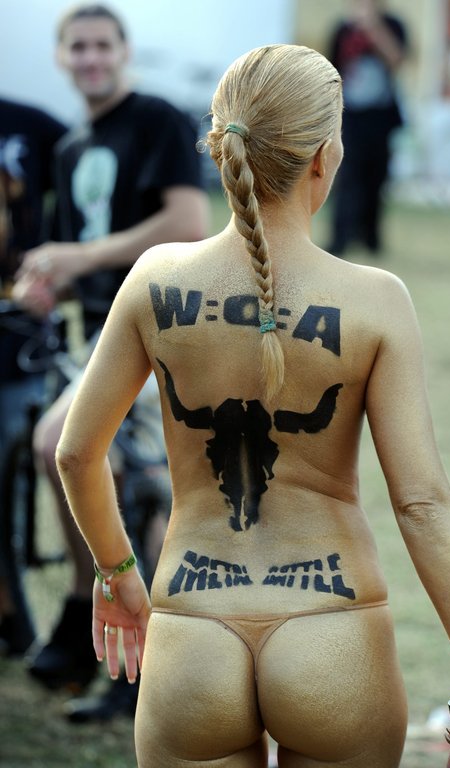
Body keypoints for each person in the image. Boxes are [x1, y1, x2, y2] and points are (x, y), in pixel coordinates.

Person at [55, 43, 450, 768]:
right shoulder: (375, 300)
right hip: (333, 627)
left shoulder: (154, 279)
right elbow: (419, 502)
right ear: (325, 156)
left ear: (219, 143)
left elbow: (77, 453)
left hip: (193, 626)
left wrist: (117, 572)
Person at [13, 1, 208, 712]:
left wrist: (81, 254)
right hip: (99, 336)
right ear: (61, 57)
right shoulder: (71, 147)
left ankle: (92, 614)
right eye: (78, 47)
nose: (91, 58)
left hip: (162, 327)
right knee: (116, 479)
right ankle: (117, 649)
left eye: (103, 45)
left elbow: (189, 225)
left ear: (124, 51)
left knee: (62, 446)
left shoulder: (158, 118)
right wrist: (50, 285)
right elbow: (86, 265)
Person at [0, 96, 67, 657]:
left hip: (16, 337)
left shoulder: (32, 124)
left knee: (11, 471)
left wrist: (54, 271)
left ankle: (14, 616)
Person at [326, 0, 408, 256]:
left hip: (381, 116)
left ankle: (371, 237)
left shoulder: (393, 25)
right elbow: (331, 70)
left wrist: (373, 28)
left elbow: (397, 60)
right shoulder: (342, 29)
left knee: (377, 176)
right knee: (347, 176)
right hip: (350, 116)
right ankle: (340, 237)